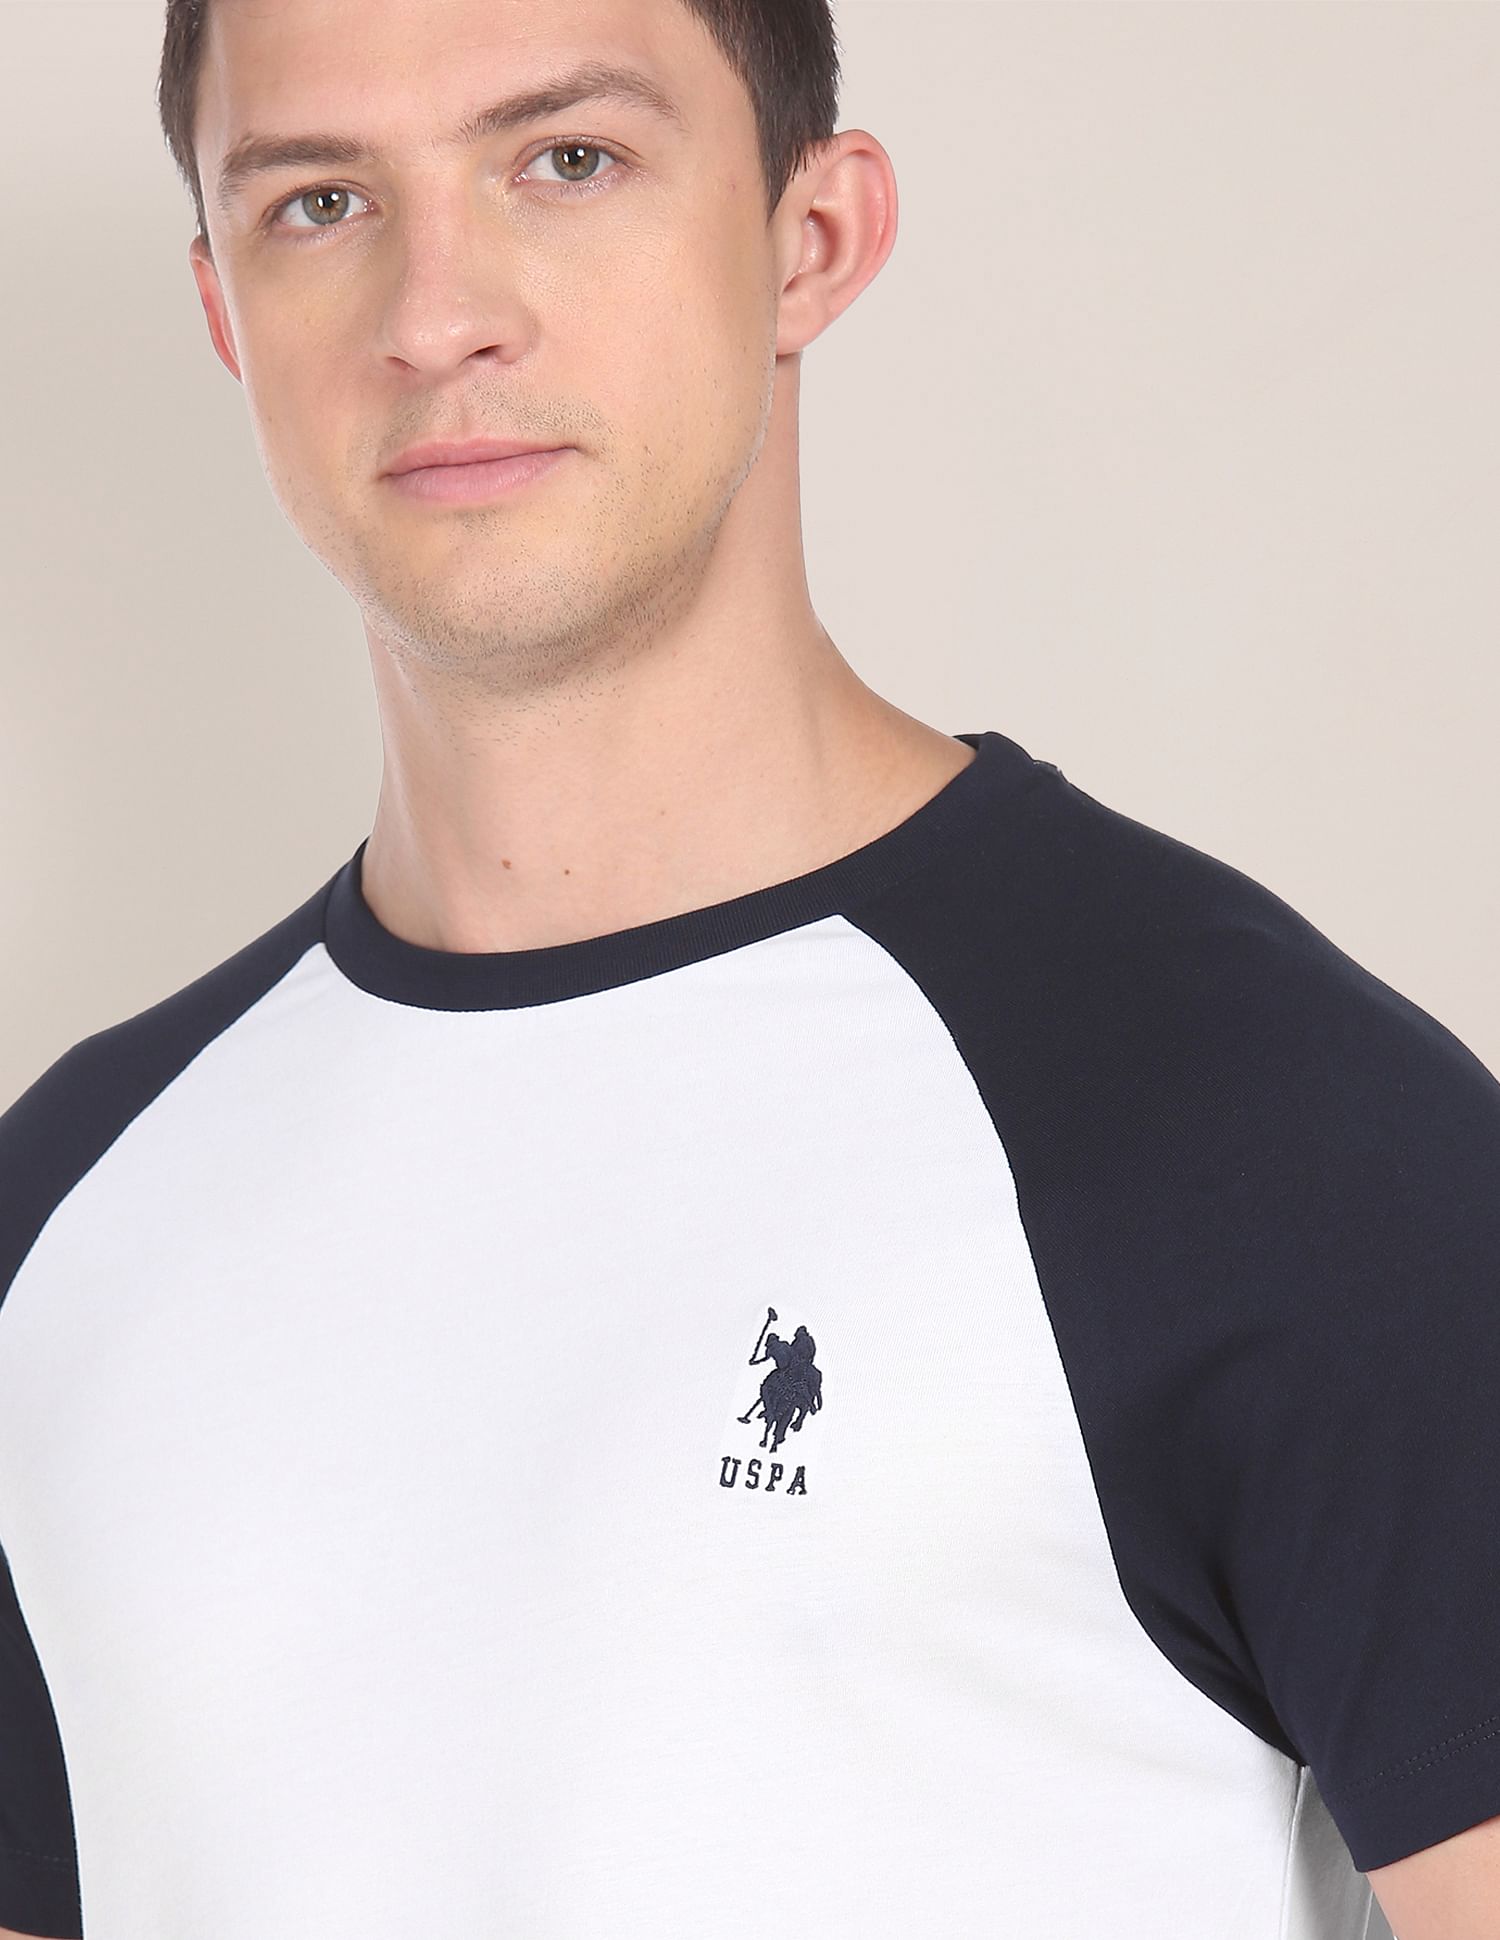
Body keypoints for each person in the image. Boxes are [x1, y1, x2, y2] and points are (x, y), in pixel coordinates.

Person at [1, 1, 1496, 1935]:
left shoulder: (1277, 1138)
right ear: (223, 308)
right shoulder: (64, 1223)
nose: (437, 315)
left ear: (813, 240)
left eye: (568, 161)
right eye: (319, 202)